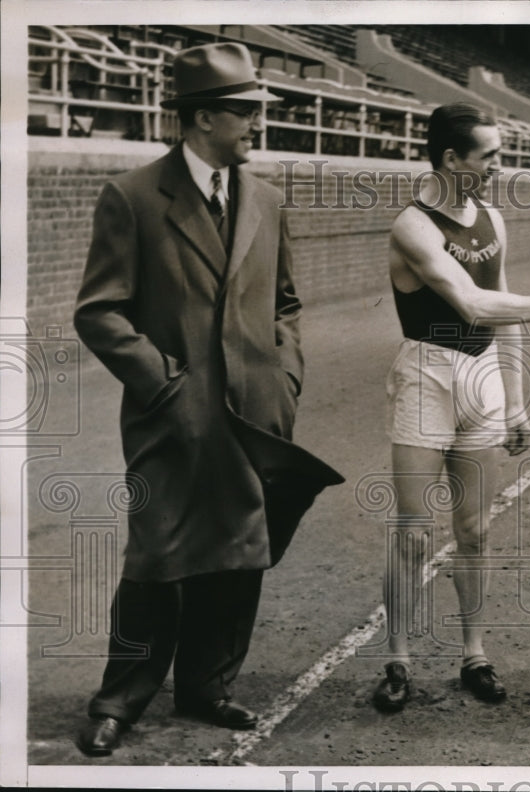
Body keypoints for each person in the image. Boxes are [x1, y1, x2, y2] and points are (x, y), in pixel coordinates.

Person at [73, 42, 342, 756]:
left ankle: (207, 685)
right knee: (155, 558)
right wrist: (161, 379)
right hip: (172, 415)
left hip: (254, 414)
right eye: (245, 112)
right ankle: (119, 699)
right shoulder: (133, 198)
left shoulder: (268, 199)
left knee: (239, 553)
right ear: (199, 120)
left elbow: (286, 304)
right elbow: (99, 311)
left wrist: (284, 378)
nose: (256, 124)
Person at [374, 102, 530, 711]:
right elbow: (472, 305)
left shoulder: (492, 219)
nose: (499, 168)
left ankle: (474, 651)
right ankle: (397, 657)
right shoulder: (414, 226)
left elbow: (501, 316)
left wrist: (514, 401)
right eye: (490, 157)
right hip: (426, 374)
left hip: (480, 380)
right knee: (412, 534)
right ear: (452, 159)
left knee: (474, 531)